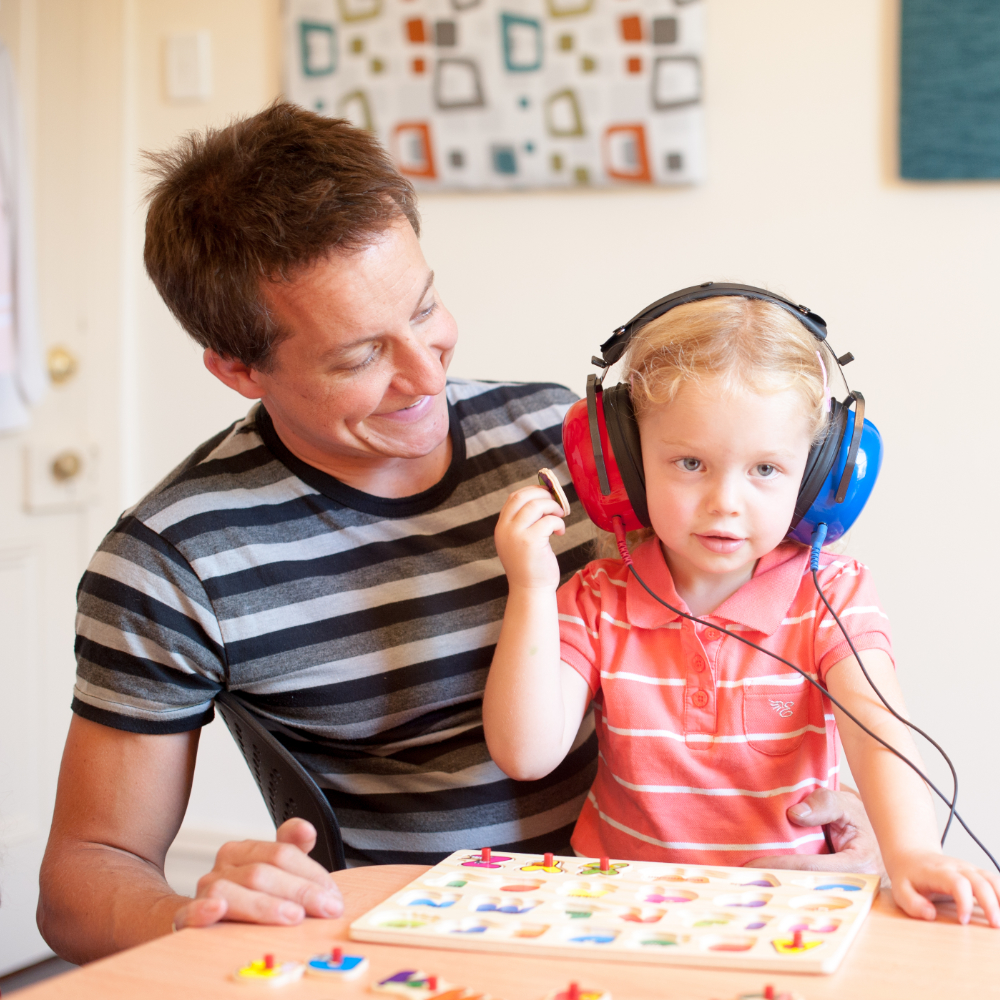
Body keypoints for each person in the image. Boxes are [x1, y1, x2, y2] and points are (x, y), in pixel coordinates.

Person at [37, 105, 883, 965]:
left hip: (663, 915)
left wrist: (822, 806)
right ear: (238, 367)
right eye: (360, 355)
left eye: (426, 306)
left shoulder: (573, 444)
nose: (425, 372)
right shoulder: (173, 562)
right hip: (427, 949)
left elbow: (737, 646)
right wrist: (192, 916)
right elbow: (80, 885)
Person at [484, 292, 1000, 926]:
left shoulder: (832, 597)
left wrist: (913, 852)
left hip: (784, 912)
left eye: (765, 469)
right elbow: (526, 752)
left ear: (816, 479)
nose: (725, 501)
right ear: (627, 467)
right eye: (690, 463)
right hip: (621, 911)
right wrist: (531, 589)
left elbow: (876, 729)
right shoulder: (597, 597)